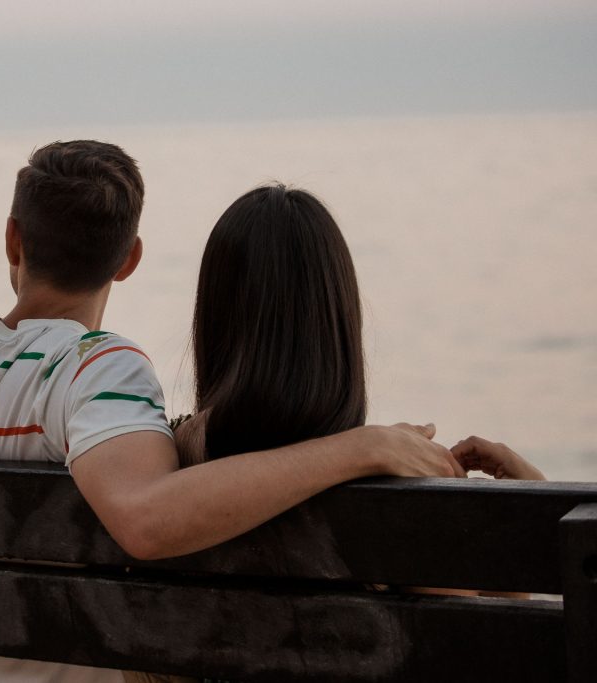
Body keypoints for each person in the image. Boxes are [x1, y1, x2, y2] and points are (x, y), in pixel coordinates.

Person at [0, 143, 460, 683]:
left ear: (12, 237)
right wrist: (362, 448)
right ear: (129, 257)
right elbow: (147, 517)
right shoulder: (105, 380)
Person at [122, 183, 545, 683]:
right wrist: (529, 524)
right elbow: (486, 658)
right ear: (338, 323)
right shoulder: (390, 501)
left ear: (213, 316)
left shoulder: (163, 472)